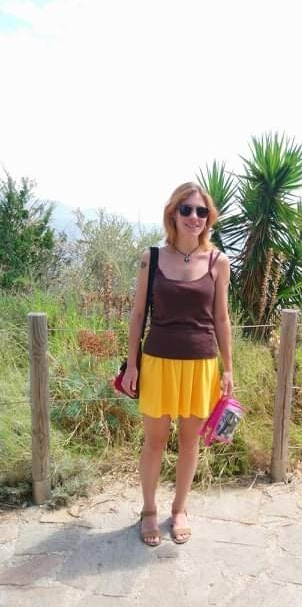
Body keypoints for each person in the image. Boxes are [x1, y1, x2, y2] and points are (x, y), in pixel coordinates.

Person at [121, 182, 233, 546]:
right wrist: (132, 364)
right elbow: (138, 314)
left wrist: (228, 369)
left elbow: (222, 319)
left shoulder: (218, 262)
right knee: (154, 443)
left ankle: (180, 509)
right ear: (173, 214)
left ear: (209, 218)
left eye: (202, 211)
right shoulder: (151, 257)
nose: (194, 217)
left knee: (189, 443)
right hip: (157, 362)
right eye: (186, 209)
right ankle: (149, 510)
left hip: (202, 365)